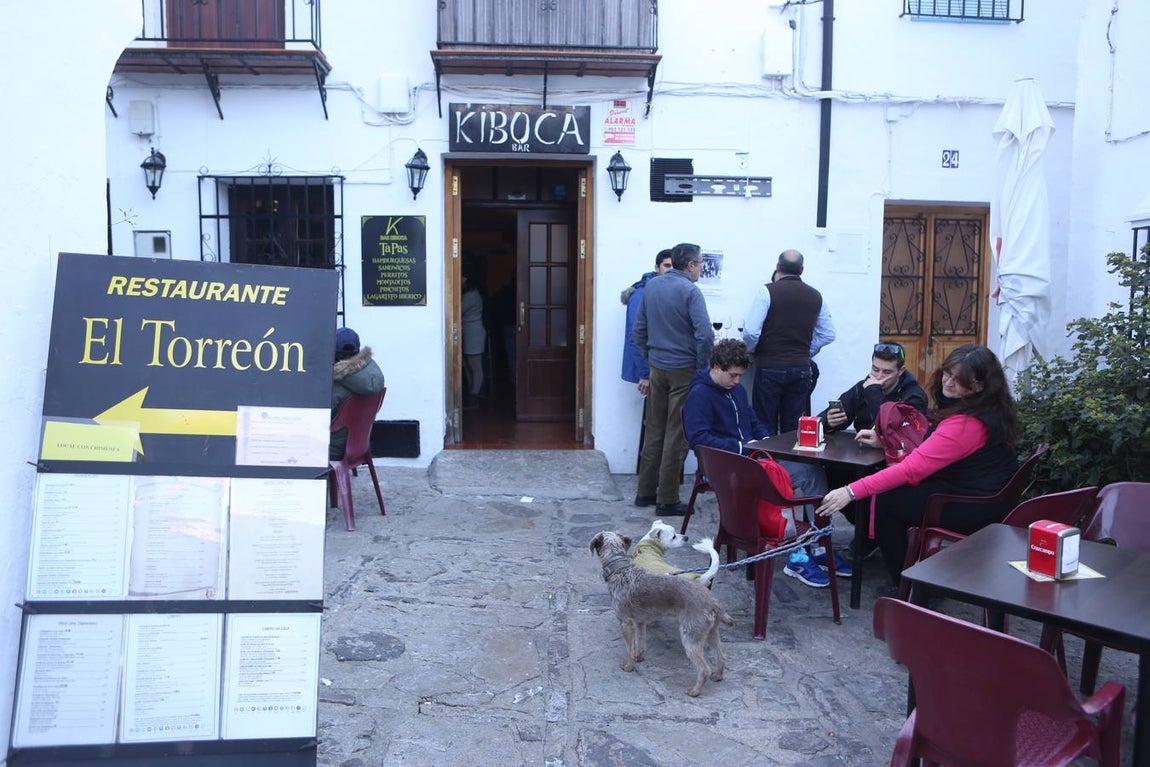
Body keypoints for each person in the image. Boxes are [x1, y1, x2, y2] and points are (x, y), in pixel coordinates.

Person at [815, 344, 1020, 585]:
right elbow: (933, 450)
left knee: (887, 501)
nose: (949, 382)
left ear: (979, 385)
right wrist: (882, 442)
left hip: (975, 504)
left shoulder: (965, 422)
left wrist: (850, 492)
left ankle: (909, 586)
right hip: (984, 493)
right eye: (947, 373)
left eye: (959, 379)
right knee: (880, 489)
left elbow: (912, 469)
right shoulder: (987, 408)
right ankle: (884, 551)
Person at [683, 339, 850, 588]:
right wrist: (744, 447)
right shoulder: (699, 395)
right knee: (777, 483)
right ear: (716, 367)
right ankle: (796, 555)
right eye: (733, 375)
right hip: (725, 467)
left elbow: (753, 420)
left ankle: (817, 545)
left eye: (741, 375)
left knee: (812, 471)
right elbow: (698, 439)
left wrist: (764, 440)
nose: (737, 381)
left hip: (753, 459)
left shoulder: (735, 390)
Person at [632, 242, 714, 516]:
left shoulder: (653, 286)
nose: (702, 266)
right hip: (683, 369)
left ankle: (644, 492)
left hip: (657, 366)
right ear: (690, 265)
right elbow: (705, 334)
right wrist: (701, 369)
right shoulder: (691, 290)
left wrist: (650, 357)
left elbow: (639, 330)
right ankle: (667, 498)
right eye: (700, 262)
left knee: (654, 429)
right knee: (676, 434)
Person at [742, 249, 835, 436]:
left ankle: (765, 464)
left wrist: (754, 351)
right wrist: (806, 351)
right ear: (801, 270)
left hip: (769, 366)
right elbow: (828, 334)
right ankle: (789, 465)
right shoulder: (816, 296)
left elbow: (751, 332)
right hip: (800, 368)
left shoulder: (767, 291)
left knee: (764, 424)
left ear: (778, 267)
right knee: (792, 428)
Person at [817, 341, 928, 433]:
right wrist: (828, 422)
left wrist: (873, 393)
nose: (879, 376)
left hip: (897, 457)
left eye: (887, 372)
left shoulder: (914, 396)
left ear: (900, 371)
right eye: (875, 369)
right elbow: (828, 417)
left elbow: (895, 430)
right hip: (863, 453)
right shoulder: (864, 386)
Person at [621, 248, 674, 395]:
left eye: (674, 266)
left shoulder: (667, 291)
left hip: (664, 366)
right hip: (651, 369)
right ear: (657, 268)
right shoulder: (642, 294)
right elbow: (636, 336)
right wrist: (645, 374)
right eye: (667, 266)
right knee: (654, 415)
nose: (670, 270)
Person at [330, 327, 386, 460]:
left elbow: (319, 415)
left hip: (333, 447)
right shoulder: (371, 371)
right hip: (359, 444)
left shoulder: (338, 385)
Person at [461, 271, 486, 406]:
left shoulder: (471, 295)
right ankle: (472, 393)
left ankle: (474, 395)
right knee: (467, 365)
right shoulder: (471, 293)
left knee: (475, 365)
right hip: (468, 332)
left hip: (473, 333)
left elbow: (459, 310)